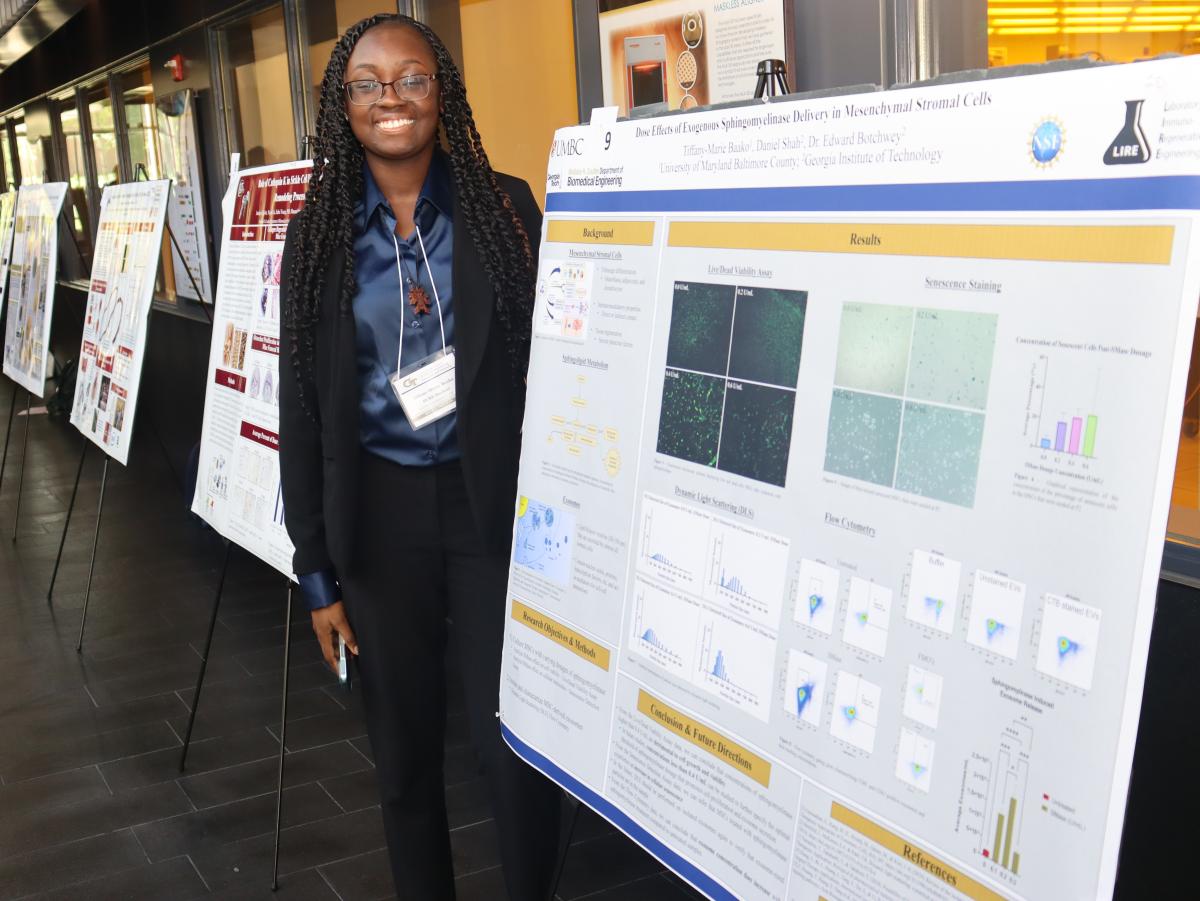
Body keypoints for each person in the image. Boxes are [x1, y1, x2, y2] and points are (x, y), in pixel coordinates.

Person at [278, 14, 562, 899]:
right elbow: (303, 408)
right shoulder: (316, 237)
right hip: (381, 521)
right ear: (341, 104)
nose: (390, 98)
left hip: (492, 513)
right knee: (402, 757)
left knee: (511, 746)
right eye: (367, 83)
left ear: (444, 91)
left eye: (411, 78)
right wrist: (316, 568)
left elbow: (554, 366)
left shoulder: (505, 208)